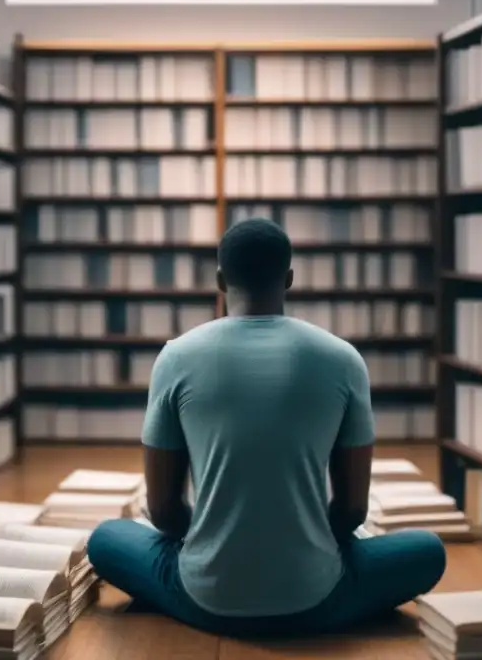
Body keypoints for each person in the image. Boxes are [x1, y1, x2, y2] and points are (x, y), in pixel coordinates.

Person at [87, 218, 446, 638]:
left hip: (204, 598)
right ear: (289, 278)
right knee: (427, 552)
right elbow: (352, 512)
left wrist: (214, 540)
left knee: (106, 539)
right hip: (318, 596)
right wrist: (302, 539)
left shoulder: (176, 358)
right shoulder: (344, 359)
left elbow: (164, 513)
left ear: (221, 280)